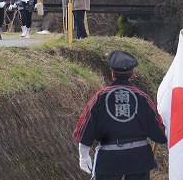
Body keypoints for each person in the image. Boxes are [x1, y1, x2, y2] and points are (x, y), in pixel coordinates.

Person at [72, 50, 167, 180]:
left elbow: (86, 125)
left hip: (109, 160)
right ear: (132, 74)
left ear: (112, 74)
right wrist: (164, 132)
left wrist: (83, 155)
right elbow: (158, 132)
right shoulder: (143, 97)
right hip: (139, 159)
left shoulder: (100, 97)